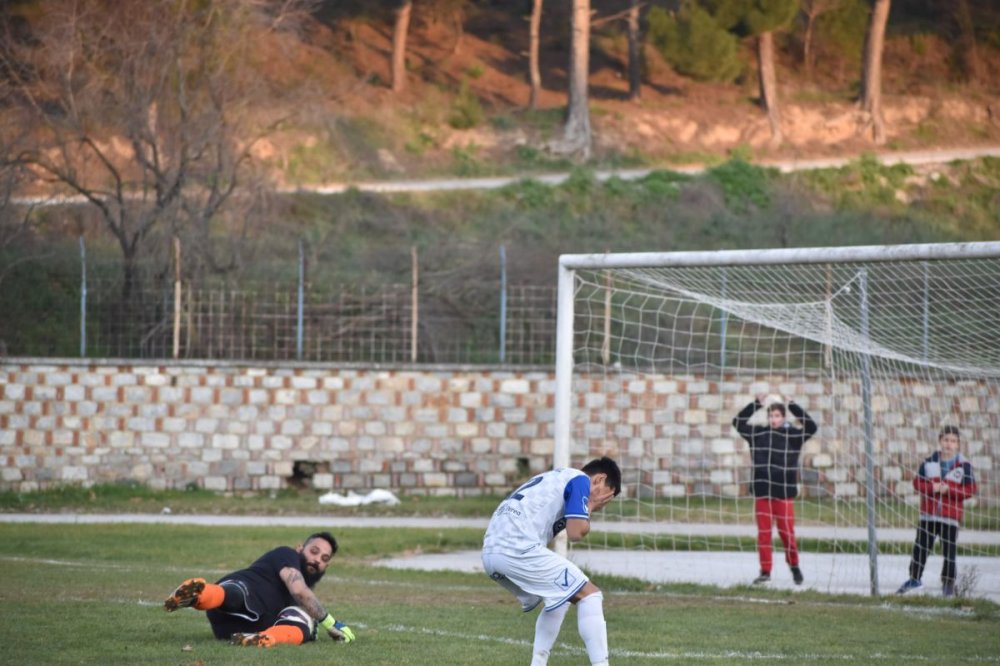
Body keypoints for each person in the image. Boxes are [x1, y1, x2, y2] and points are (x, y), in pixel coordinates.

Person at [482, 456, 622, 666]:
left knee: (559, 597)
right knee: (590, 596)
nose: (603, 505)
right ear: (599, 480)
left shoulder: (557, 477)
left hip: (491, 552)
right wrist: (591, 505)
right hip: (515, 547)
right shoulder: (580, 480)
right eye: (607, 498)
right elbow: (576, 532)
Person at [163, 531, 356, 647]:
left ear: (326, 567)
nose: (317, 559)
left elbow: (302, 601)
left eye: (324, 559)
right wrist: (331, 623)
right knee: (237, 596)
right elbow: (299, 590)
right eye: (314, 551)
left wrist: (312, 626)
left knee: (303, 621)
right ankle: (198, 594)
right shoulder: (287, 554)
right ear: (299, 549)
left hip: (232, 630)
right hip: (236, 593)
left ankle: (264, 639)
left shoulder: (298, 599)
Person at [732, 392, 818, 586]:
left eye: (777, 416)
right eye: (771, 416)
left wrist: (793, 404)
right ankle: (765, 571)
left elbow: (812, 427)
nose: (774, 419)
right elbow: (737, 422)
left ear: (783, 417)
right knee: (764, 534)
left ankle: (794, 566)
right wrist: (756, 404)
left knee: (787, 533)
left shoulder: (794, 436)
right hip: (763, 491)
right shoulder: (758, 434)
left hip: (784, 493)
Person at [896, 425, 978, 598]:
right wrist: (932, 487)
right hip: (928, 516)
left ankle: (948, 583)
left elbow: (970, 490)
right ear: (940, 441)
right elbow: (917, 484)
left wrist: (949, 490)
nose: (949, 444)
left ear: (958, 444)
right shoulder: (929, 462)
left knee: (949, 551)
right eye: (946, 440)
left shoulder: (964, 466)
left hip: (950, 518)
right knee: (921, 547)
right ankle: (914, 579)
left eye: (953, 441)